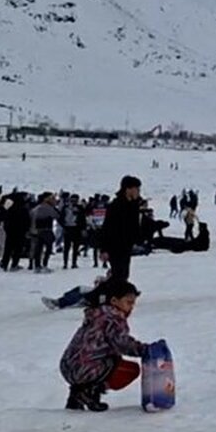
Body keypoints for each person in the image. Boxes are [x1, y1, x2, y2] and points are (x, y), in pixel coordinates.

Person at [59, 280, 151, 412]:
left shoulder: (96, 314)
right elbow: (122, 343)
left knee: (108, 358)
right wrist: (143, 349)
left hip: (68, 366)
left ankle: (78, 394)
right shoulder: (113, 318)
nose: (131, 307)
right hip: (85, 368)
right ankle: (89, 392)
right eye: (128, 302)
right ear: (114, 301)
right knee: (129, 369)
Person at [101, 176, 143, 285]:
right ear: (128, 189)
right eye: (136, 189)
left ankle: (116, 297)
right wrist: (104, 249)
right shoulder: (115, 206)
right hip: (115, 245)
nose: (138, 191)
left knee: (123, 274)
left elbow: (135, 226)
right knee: (119, 274)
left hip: (127, 245)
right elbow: (107, 228)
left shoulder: (134, 205)